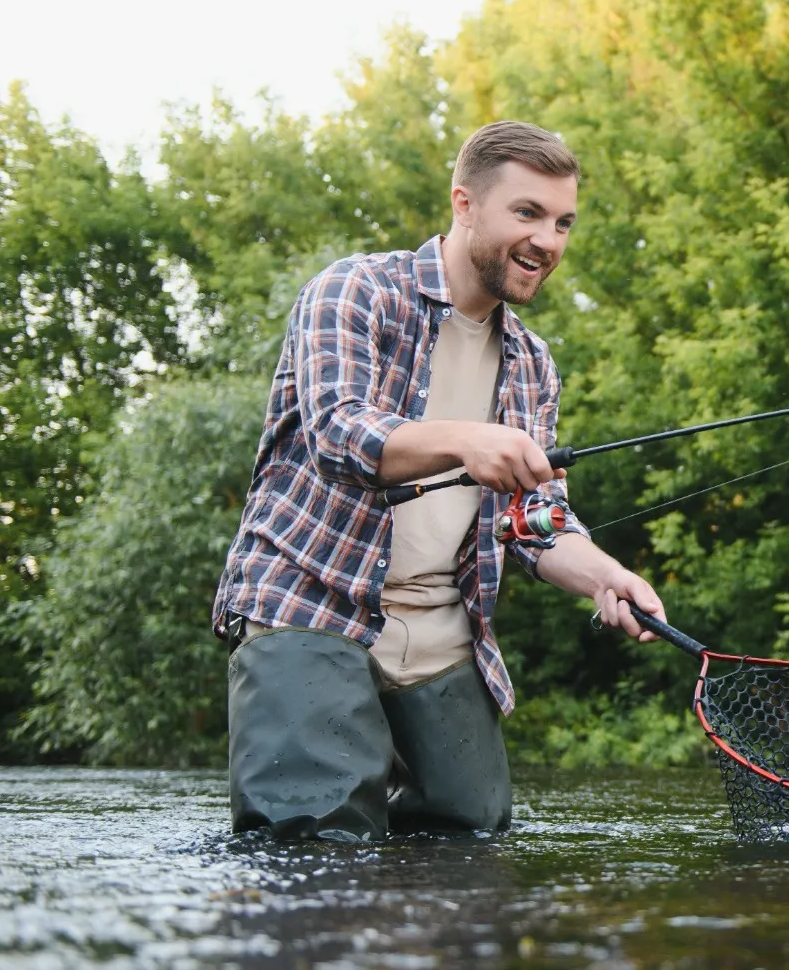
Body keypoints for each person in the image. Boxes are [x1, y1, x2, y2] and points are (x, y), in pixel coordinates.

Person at [212, 120, 664, 841]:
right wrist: (468, 441)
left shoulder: (534, 362)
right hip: (309, 594)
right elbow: (339, 433)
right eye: (527, 213)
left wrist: (606, 576)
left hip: (443, 624)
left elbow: (533, 521)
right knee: (315, 842)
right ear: (464, 204)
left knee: (473, 835)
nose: (548, 241)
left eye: (562, 222)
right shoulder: (354, 290)